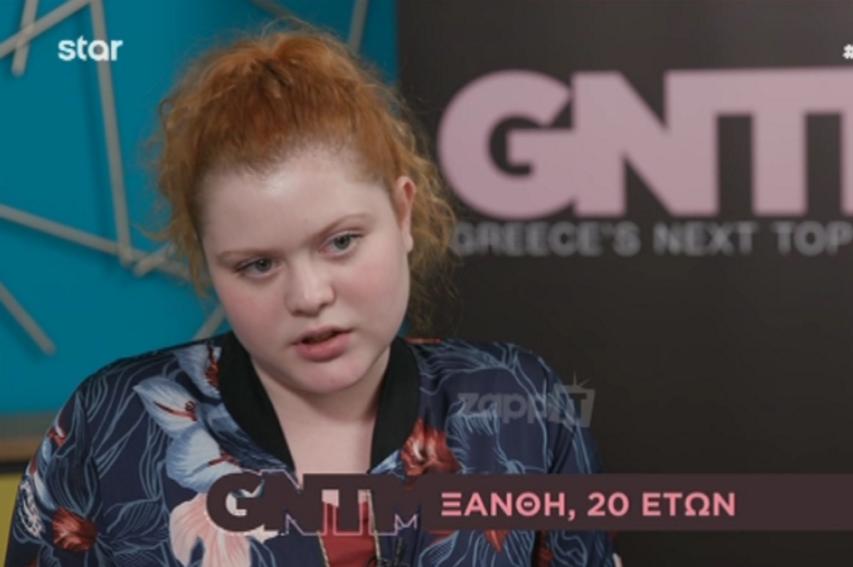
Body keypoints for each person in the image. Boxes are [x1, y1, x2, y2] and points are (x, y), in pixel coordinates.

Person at [5, 23, 618, 566]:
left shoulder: (522, 405)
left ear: (403, 213)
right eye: (258, 265)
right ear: (209, 263)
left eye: (341, 242)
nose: (308, 295)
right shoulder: (110, 423)